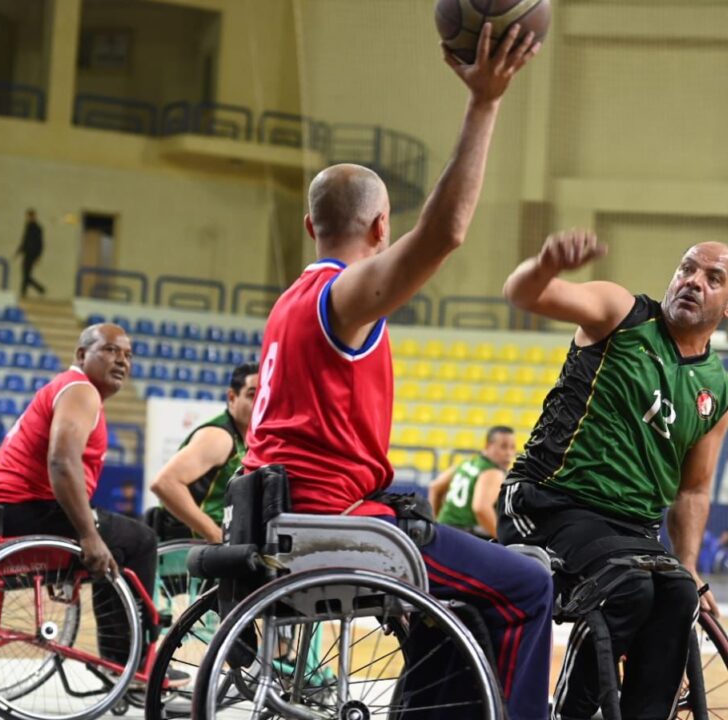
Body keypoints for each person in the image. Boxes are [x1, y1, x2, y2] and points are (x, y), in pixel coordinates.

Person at [241, 23, 550, 719]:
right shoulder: (340, 297)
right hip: (334, 525)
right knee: (529, 587)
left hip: (285, 511)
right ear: (381, 228)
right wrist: (485, 103)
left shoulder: (288, 304)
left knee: (460, 600)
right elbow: (445, 234)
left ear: (310, 225)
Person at [498, 233, 728, 720]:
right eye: (687, 268)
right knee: (629, 586)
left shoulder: (717, 390)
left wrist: (689, 564)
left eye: (712, 278)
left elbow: (694, 489)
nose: (693, 281)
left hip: (631, 533)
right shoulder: (620, 313)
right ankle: (571, 713)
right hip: (549, 503)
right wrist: (545, 264)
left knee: (678, 595)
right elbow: (522, 294)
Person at [0, 324, 159, 668]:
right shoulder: (80, 391)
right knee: (140, 541)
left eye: (128, 355)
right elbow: (61, 461)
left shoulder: (66, 388)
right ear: (81, 355)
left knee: (116, 544)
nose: (122, 361)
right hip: (25, 511)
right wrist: (88, 534)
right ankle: (133, 664)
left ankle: (119, 660)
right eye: (111, 350)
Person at [150, 362, 258, 542]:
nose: (259, 404)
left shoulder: (249, 439)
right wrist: (215, 535)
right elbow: (164, 483)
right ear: (232, 397)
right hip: (186, 545)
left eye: (264, 396)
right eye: (252, 395)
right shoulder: (219, 437)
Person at [429, 426, 515, 538]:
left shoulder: (466, 464)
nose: (509, 453)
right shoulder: (493, 472)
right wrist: (503, 538)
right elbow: (481, 508)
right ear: (488, 446)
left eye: (513, 447)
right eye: (503, 446)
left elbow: (435, 487)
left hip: (443, 530)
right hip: (464, 535)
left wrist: (434, 521)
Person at [16, 208, 46, 297]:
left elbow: (40, 243)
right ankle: (27, 292)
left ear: (33, 216)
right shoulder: (28, 226)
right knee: (26, 275)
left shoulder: (37, 228)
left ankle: (39, 289)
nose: (27, 218)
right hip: (27, 253)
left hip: (32, 254)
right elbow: (25, 241)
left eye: (28, 216)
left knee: (26, 275)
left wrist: (38, 256)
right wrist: (19, 251)